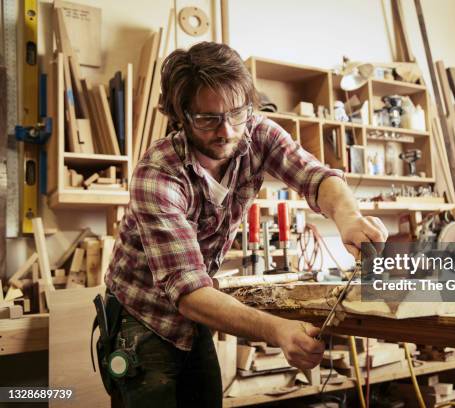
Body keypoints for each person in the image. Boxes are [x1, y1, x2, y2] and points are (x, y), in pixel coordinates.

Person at [101, 41, 388, 408]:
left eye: (236, 113)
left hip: (194, 316)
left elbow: (314, 176)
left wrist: (349, 217)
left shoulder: (255, 132)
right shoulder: (158, 175)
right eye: (207, 119)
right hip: (142, 320)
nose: (226, 131)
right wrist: (278, 330)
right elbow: (188, 290)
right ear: (180, 115)